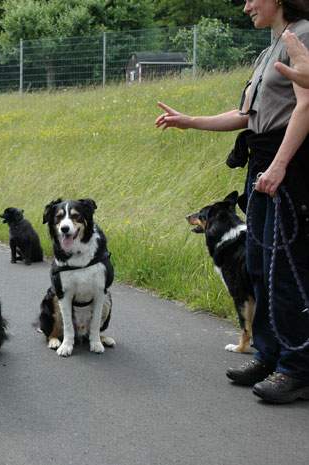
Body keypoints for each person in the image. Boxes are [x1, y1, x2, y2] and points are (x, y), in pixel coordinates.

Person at [155, 0, 309, 403]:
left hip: (287, 168)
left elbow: (306, 106)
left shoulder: (303, 35)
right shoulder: (267, 49)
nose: (245, 7)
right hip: (261, 165)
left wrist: (278, 167)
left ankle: (298, 369)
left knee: (285, 272)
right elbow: (246, 115)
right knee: (257, 263)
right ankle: (269, 355)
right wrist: (189, 120)